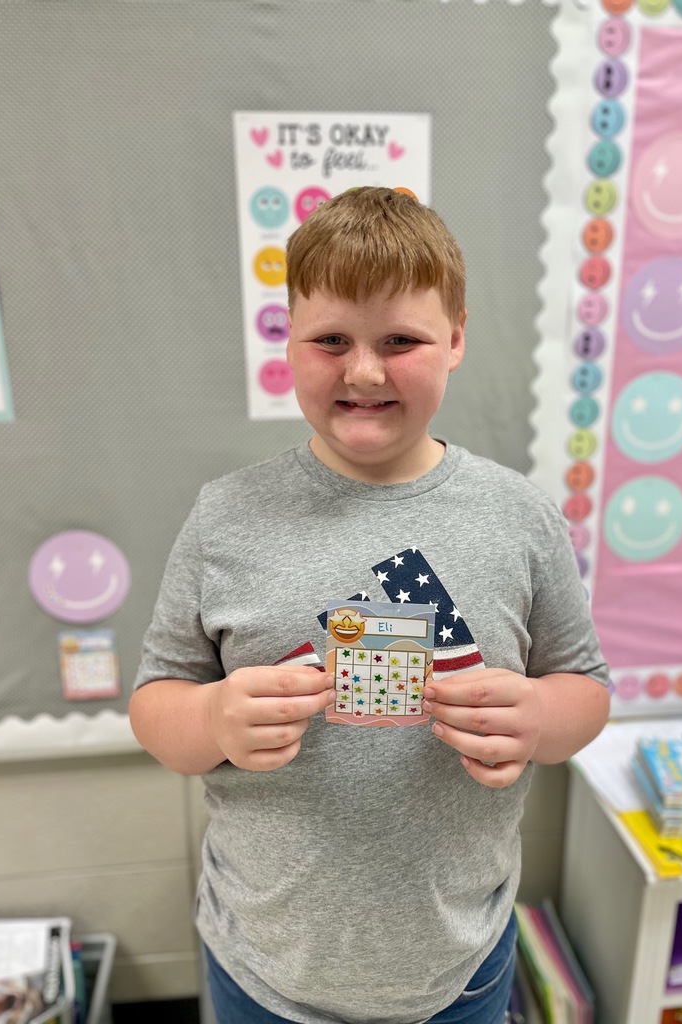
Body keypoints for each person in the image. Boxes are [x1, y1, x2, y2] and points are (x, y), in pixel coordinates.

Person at [129, 186, 610, 1024]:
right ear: (288, 341)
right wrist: (212, 720)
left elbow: (586, 689)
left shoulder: (520, 516)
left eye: (401, 340)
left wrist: (538, 714)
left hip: (458, 966)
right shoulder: (225, 516)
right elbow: (155, 705)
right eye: (331, 341)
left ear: (455, 338)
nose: (362, 370)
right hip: (262, 967)